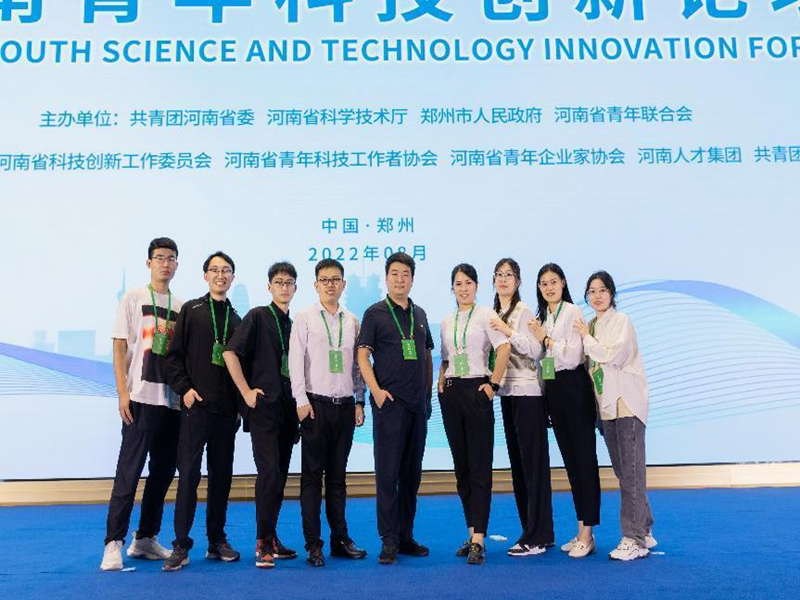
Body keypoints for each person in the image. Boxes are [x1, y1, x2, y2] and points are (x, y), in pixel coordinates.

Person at [101, 237, 184, 571]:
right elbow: (119, 346)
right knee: (129, 472)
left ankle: (146, 538)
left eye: (171, 258)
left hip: (172, 402)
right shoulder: (133, 298)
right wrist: (122, 392)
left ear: (177, 264)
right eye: (160, 257)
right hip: (139, 397)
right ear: (149, 262)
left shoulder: (181, 306)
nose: (165, 263)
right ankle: (113, 543)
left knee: (162, 474)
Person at [162, 251, 242, 571]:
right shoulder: (192, 310)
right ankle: (181, 544)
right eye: (215, 270)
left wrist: (239, 407)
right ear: (205, 275)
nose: (220, 275)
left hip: (226, 413)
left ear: (233, 277)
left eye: (226, 270)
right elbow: (173, 357)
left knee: (221, 479)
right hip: (196, 408)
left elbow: (242, 369)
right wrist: (185, 390)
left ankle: (216, 541)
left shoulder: (237, 319)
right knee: (189, 477)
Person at [288, 258, 367, 567]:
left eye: (335, 279)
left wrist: (359, 400)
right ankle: (313, 544)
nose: (330, 284)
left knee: (338, 478)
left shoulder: (352, 320)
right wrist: (300, 401)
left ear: (344, 284)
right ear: (316, 284)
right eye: (324, 280)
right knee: (311, 478)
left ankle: (340, 539)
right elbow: (295, 362)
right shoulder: (305, 317)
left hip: (344, 407)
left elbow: (358, 366)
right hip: (315, 407)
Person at [357, 252, 434, 565]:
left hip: (418, 407)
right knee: (388, 476)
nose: (400, 279)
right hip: (389, 406)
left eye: (406, 274)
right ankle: (388, 540)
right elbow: (362, 356)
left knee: (411, 476)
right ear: (386, 278)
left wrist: (427, 397)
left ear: (412, 279)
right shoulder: (374, 313)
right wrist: (375, 392)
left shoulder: (420, 313)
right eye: (395, 274)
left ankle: (405, 537)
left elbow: (426, 357)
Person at [574, 271, 656, 561]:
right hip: (606, 406)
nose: (597, 296)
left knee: (631, 473)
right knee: (624, 472)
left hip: (626, 402)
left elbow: (614, 355)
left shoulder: (621, 321)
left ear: (612, 293)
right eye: (592, 291)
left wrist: (586, 338)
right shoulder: (591, 325)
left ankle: (634, 538)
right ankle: (644, 527)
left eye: (602, 290)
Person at [223, 262, 301, 568]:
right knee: (268, 474)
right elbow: (230, 353)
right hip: (264, 409)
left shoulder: (294, 325)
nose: (284, 287)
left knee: (279, 477)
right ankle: (263, 542)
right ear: (269, 287)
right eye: (278, 282)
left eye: (289, 282)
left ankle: (272, 536)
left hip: (288, 410)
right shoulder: (257, 316)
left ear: (295, 288)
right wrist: (245, 392)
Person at [437, 263, 511, 565]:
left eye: (468, 283)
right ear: (452, 288)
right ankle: (471, 533)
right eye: (458, 283)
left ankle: (480, 538)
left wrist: (493, 385)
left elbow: (503, 347)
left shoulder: (486, 315)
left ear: (477, 286)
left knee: (480, 466)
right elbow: (446, 359)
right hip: (451, 394)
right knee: (462, 468)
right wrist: (440, 381)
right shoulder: (446, 321)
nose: (463, 288)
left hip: (477, 391)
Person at [528, 263, 600, 559]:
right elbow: (542, 361)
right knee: (571, 463)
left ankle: (588, 533)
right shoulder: (542, 316)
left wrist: (545, 339)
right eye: (544, 283)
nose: (549, 288)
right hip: (554, 390)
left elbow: (572, 355)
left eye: (553, 282)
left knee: (584, 460)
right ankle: (581, 528)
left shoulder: (572, 311)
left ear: (563, 283)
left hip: (574, 387)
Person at [488, 258, 554, 557]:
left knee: (533, 466)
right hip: (507, 393)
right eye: (499, 274)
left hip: (528, 393)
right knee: (519, 466)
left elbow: (536, 349)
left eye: (509, 275)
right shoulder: (494, 312)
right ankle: (537, 531)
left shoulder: (523, 311)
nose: (503, 279)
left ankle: (536, 536)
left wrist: (507, 331)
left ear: (518, 281)